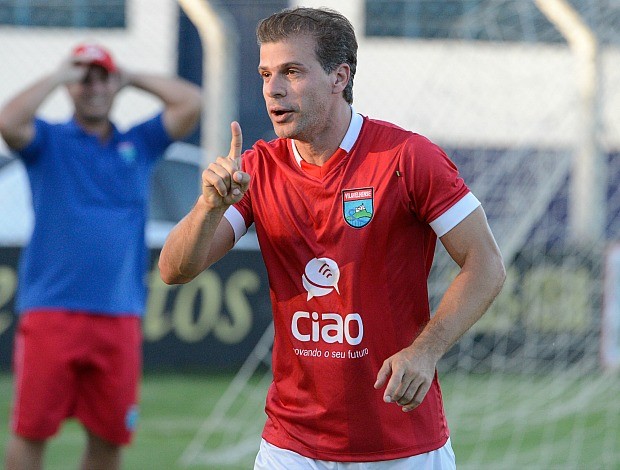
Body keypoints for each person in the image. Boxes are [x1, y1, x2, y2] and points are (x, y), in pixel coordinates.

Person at [159, 6, 505, 469]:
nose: (273, 89)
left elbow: (485, 264)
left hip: (403, 445)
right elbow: (174, 270)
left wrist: (425, 352)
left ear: (340, 76)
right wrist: (209, 205)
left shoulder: (407, 157)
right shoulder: (258, 168)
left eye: (292, 72)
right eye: (265, 74)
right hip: (291, 447)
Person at [0, 43, 201, 469]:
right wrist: (57, 76)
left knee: (109, 438)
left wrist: (128, 75)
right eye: (83, 78)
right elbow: (8, 120)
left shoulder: (138, 142)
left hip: (118, 315)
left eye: (101, 76)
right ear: (70, 87)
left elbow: (190, 103)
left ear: (115, 82)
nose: (92, 86)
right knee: (31, 432)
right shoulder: (49, 140)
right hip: (51, 312)